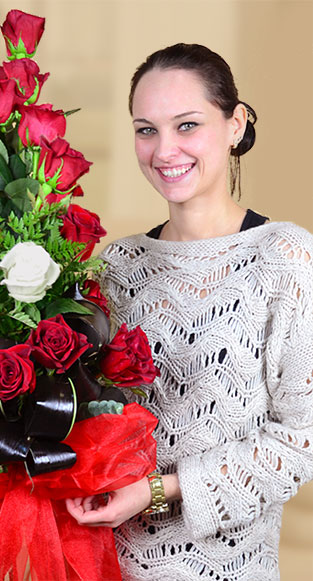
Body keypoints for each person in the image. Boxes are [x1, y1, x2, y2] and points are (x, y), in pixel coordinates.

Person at [65, 44, 313, 580]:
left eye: (187, 125)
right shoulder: (116, 266)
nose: (164, 150)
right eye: (146, 129)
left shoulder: (285, 259)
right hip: (106, 561)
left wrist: (157, 491)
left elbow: (300, 442)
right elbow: (92, 415)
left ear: (235, 123)